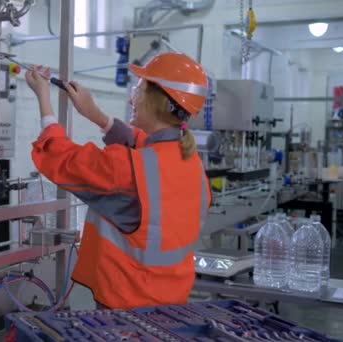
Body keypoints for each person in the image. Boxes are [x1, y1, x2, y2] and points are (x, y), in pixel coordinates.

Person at [25, 52, 211, 309]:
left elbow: (60, 157)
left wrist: (43, 99)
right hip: (171, 302)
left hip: (127, 307)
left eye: (139, 89)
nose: (132, 97)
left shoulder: (126, 167)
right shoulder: (189, 160)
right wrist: (95, 114)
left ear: (158, 102)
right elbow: (141, 144)